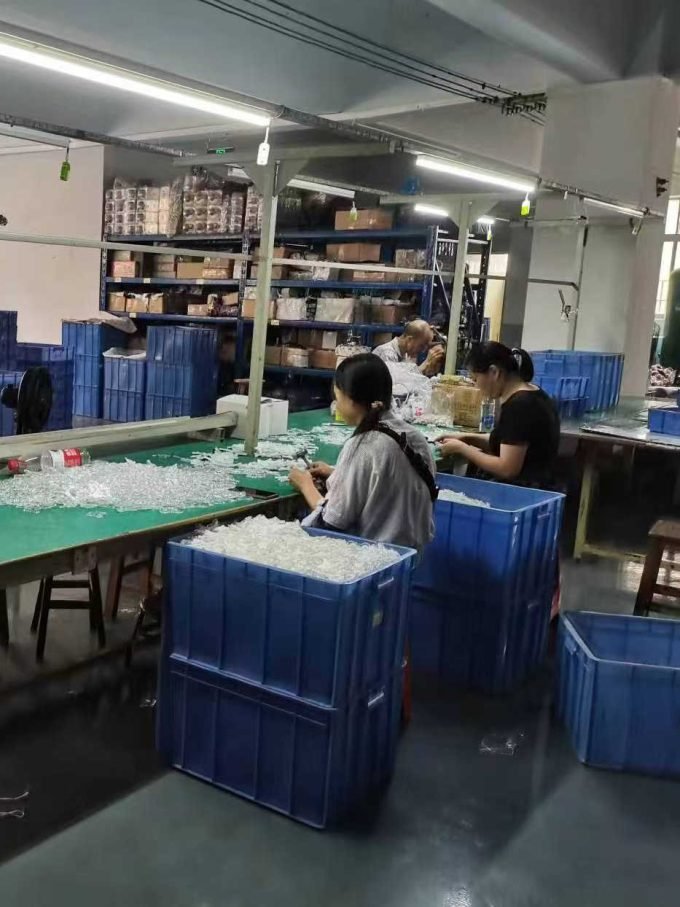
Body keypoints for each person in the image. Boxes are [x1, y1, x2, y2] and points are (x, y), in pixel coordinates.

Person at [288, 353, 437, 551]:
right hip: (411, 556)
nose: (337, 405)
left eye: (338, 397)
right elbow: (387, 482)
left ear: (351, 400)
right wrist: (338, 473)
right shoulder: (413, 436)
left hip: (375, 560)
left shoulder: (363, 445)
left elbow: (331, 521)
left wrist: (305, 484)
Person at [436, 341, 560, 489]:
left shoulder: (520, 406)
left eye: (475, 379)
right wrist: (468, 438)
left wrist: (462, 448)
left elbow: (507, 469)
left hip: (523, 491)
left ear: (494, 372)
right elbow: (509, 440)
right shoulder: (533, 393)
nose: (476, 386)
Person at [373, 319, 444, 377]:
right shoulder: (387, 353)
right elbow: (396, 385)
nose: (423, 350)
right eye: (421, 346)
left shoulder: (405, 354)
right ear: (409, 339)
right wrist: (425, 363)